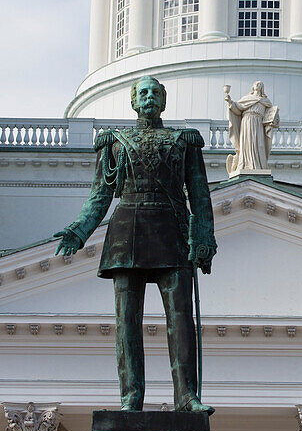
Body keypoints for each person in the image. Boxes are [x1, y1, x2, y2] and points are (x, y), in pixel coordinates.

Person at [54, 76, 217, 412]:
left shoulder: (184, 141)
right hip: (126, 231)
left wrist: (203, 238)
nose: (149, 97)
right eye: (143, 92)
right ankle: (131, 396)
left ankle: (187, 396)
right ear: (133, 101)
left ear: (163, 101)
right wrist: (79, 230)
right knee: (127, 321)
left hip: (172, 229)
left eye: (155, 92)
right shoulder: (114, 142)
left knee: (181, 318)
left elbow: (200, 195)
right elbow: (99, 196)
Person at [224, 81, 279, 175]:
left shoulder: (266, 102)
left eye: (260, 84)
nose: (258, 84)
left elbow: (270, 115)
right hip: (247, 122)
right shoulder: (247, 99)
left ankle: (259, 165)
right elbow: (237, 109)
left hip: (258, 124)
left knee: (259, 144)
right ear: (253, 87)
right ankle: (245, 164)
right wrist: (230, 102)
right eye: (256, 83)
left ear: (262, 88)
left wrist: (274, 119)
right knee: (247, 143)